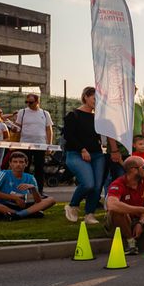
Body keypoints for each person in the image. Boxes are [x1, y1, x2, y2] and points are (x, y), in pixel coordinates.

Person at [62, 87, 104, 225]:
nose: (97, 102)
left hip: (97, 155)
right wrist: (82, 149)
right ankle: (73, 205)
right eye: (94, 98)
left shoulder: (97, 117)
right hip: (76, 154)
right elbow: (69, 136)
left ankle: (89, 214)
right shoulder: (73, 115)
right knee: (88, 183)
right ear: (86, 96)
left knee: (97, 186)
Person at [0, 151, 55, 219]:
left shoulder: (30, 177)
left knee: (51, 200)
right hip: (5, 204)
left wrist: (33, 189)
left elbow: (38, 201)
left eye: (21, 162)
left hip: (23, 205)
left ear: (26, 164)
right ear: (10, 164)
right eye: (15, 162)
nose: (18, 164)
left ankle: (18, 215)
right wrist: (14, 198)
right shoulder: (3, 173)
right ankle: (27, 213)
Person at [10, 92, 54, 187]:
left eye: (31, 102)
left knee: (39, 168)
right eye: (27, 102)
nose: (28, 104)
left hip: (40, 144)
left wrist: (49, 145)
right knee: (24, 167)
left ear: (37, 101)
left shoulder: (45, 113)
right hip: (25, 144)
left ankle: (39, 190)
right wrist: (13, 128)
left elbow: (49, 130)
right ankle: (22, 188)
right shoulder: (23, 112)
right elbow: (18, 126)